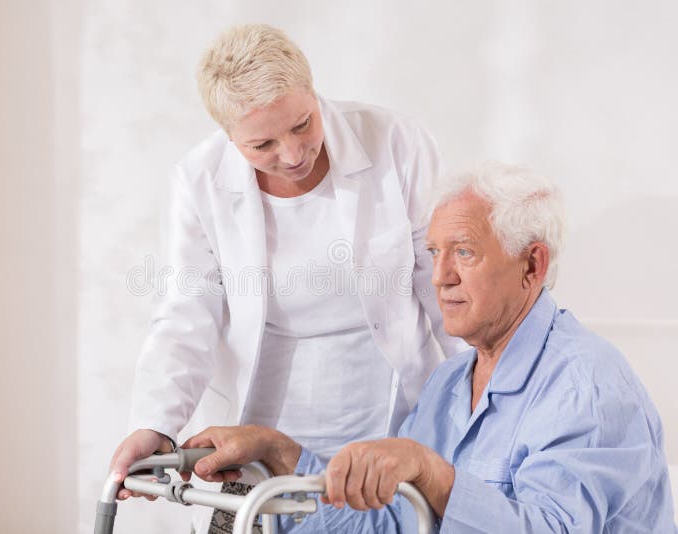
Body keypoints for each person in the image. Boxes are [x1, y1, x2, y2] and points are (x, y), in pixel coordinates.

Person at [183, 161, 677, 532]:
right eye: (435, 254)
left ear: (533, 266)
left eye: (464, 252)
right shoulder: (449, 382)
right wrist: (277, 455)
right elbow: (392, 523)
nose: (440, 278)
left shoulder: (583, 386)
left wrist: (433, 476)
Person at [108, 23, 465, 532]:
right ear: (230, 137)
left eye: (302, 124)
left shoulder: (396, 143)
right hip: (261, 448)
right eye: (263, 144)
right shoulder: (199, 181)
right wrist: (153, 425)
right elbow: (186, 316)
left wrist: (481, 420)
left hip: (391, 430)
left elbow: (449, 293)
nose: (294, 154)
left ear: (314, 91)